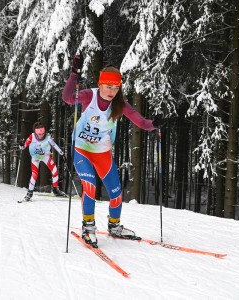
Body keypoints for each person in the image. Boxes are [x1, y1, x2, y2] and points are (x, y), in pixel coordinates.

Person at [62, 55, 166, 247]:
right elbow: (68, 98)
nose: (112, 91)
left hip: (102, 151)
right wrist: (73, 75)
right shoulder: (89, 96)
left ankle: (114, 226)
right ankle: (88, 227)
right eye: (108, 87)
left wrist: (155, 124)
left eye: (116, 88)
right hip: (82, 149)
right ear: (100, 84)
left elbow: (142, 122)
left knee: (116, 193)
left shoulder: (119, 104)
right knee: (90, 186)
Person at [20, 122, 67, 201]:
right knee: (34, 174)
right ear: (36, 133)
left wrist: (62, 154)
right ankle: (29, 192)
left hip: (45, 156)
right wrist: (21, 145)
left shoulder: (48, 137)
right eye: (39, 134)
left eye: (42, 134)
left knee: (55, 170)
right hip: (35, 157)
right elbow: (23, 147)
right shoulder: (32, 136)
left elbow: (54, 145)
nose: (41, 135)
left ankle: (56, 190)